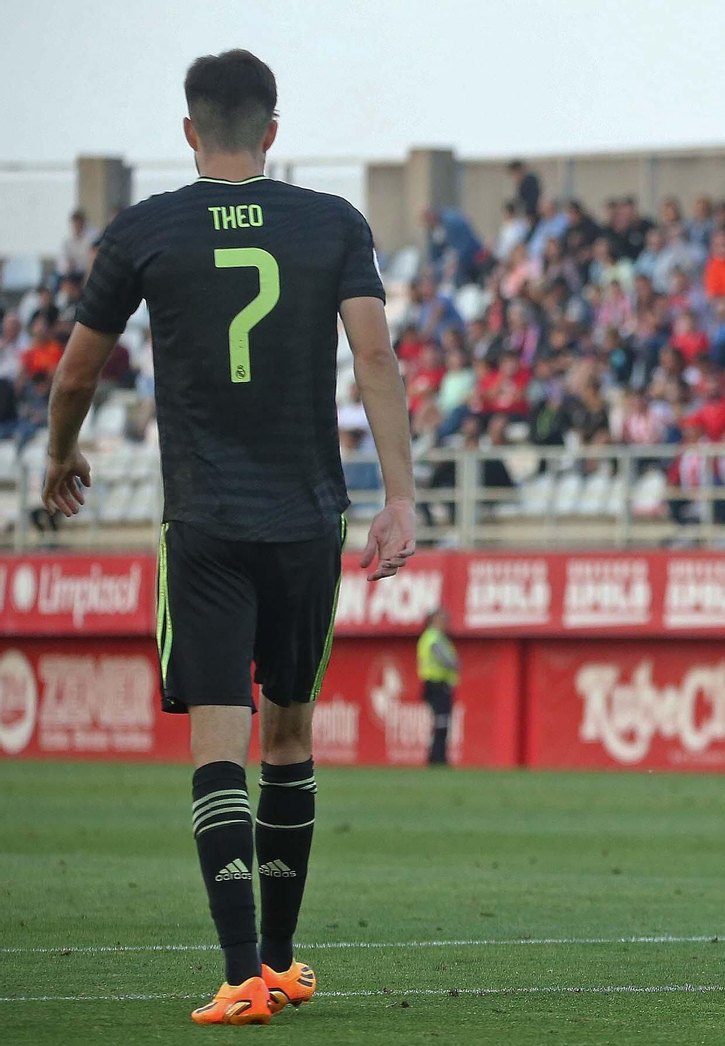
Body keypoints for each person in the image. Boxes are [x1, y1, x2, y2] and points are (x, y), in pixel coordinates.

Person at [40, 50, 417, 1026]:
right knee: (289, 734)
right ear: (274, 133)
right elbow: (375, 356)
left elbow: (77, 373)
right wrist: (400, 497)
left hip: (206, 518)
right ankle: (285, 961)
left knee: (220, 735)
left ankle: (242, 970)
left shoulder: (145, 229)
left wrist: (59, 454)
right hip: (307, 515)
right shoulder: (332, 224)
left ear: (189, 131)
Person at [416, 608, 461, 766]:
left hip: (436, 684)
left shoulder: (434, 637)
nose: (446, 623)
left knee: (440, 723)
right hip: (437, 684)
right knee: (441, 723)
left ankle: (438, 756)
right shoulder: (433, 638)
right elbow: (444, 659)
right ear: (434, 621)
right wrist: (454, 665)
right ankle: (437, 758)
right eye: (443, 619)